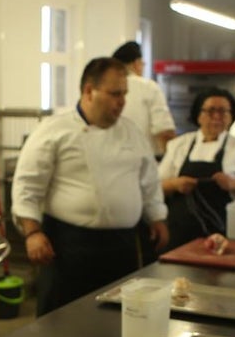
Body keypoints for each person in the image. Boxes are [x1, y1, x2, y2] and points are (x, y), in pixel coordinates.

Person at [12, 56, 168, 315]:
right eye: (115, 94)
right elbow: (27, 185)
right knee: (63, 322)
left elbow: (149, 182)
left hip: (122, 247)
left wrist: (157, 217)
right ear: (88, 91)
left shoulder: (132, 132)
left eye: (124, 94)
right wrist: (32, 233)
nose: (122, 101)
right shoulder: (53, 130)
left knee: (117, 320)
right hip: (69, 246)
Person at [158, 87, 235, 247]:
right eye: (211, 111)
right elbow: (155, 187)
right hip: (179, 233)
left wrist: (233, 184)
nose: (217, 116)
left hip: (223, 236)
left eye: (223, 111)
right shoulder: (179, 145)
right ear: (198, 115)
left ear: (231, 116)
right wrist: (175, 184)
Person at [112, 40, 176, 156]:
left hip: (112, 160)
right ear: (136, 63)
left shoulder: (107, 89)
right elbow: (165, 132)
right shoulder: (148, 87)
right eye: (143, 64)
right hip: (144, 161)